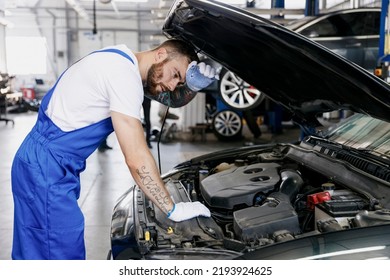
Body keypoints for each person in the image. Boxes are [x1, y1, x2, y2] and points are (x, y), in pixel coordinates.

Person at [10, 39, 219, 260]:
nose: (172, 85)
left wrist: (192, 87)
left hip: (45, 163)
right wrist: (172, 209)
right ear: (160, 54)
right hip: (46, 168)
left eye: (179, 82)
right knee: (57, 253)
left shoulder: (119, 60)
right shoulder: (123, 76)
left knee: (38, 249)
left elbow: (169, 97)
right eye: (175, 74)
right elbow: (136, 158)